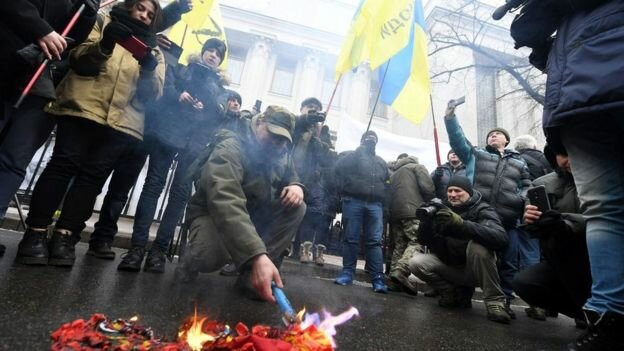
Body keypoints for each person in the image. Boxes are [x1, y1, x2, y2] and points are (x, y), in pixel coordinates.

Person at [14, 0, 165, 266]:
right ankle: (35, 234)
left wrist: (149, 68)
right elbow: (77, 58)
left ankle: (65, 236)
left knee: (92, 180)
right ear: (129, 6)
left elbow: (153, 95)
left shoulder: (154, 48)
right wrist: (105, 44)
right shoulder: (101, 21)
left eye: (150, 14)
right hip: (81, 106)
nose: (144, 15)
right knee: (62, 166)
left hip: (123, 121)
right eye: (141, 8)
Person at [536, 1, 624, 348]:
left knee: (604, 212)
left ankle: (608, 317)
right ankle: (607, 317)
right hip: (578, 100)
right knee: (603, 212)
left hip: (580, 97)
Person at [116, 38, 231, 273]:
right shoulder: (181, 69)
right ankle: (137, 248)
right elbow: (164, 90)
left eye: (218, 54)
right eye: (210, 50)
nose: (212, 55)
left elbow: (219, 113)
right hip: (168, 134)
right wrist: (179, 95)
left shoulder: (221, 88)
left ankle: (159, 250)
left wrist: (206, 98)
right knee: (153, 185)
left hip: (194, 145)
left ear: (220, 61)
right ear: (202, 52)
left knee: (179, 196)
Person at [0, 0, 100, 256]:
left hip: (38, 80)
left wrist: (88, 14)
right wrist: (40, 29)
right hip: (6, 57)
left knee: (14, 160)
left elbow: (70, 42)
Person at [176, 106, 305, 303]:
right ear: (260, 122)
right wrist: (257, 254)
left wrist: (296, 185)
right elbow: (226, 200)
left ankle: (251, 276)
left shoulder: (280, 152)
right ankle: (189, 263)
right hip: (215, 214)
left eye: (281, 139)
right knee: (209, 256)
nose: (276, 143)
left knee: (298, 206)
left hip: (253, 215)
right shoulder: (231, 147)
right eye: (272, 134)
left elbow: (291, 173)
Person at [444, 103, 533, 319]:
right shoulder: (477, 155)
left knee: (508, 263)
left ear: (506, 140)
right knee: (467, 254)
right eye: (490, 135)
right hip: (477, 215)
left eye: (497, 134)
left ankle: (505, 302)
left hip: (508, 219)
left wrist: (521, 201)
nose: (493, 137)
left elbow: (527, 186)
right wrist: (450, 118)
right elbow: (458, 140)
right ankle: (462, 295)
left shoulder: (519, 163)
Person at [409, 176, 510, 324]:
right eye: (450, 191)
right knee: (415, 262)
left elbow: (501, 239)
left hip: (477, 271)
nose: (453, 194)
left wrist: (462, 225)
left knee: (479, 247)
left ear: (468, 192)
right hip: (451, 267)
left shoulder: (482, 209)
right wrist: (426, 222)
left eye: (458, 191)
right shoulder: (441, 209)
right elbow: (424, 241)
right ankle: (449, 292)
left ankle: (495, 302)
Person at [512, 146, 591, 326]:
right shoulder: (541, 184)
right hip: (561, 257)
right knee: (525, 283)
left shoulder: (608, 178)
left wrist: (564, 222)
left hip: (602, 256)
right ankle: (585, 315)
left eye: (574, 153)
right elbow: (532, 227)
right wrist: (533, 221)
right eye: (563, 154)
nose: (569, 160)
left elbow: (609, 218)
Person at [333, 130, 389, 294]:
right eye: (367, 138)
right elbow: (338, 168)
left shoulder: (381, 162)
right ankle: (347, 273)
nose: (371, 140)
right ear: (362, 140)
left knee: (375, 242)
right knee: (351, 238)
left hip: (375, 205)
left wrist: (384, 206)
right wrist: (359, 150)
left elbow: (387, 185)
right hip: (353, 201)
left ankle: (378, 279)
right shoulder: (353, 156)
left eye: (373, 139)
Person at [290, 97, 336, 265]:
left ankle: (296, 250)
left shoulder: (322, 131)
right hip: (288, 174)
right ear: (301, 108)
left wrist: (321, 144)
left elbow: (327, 158)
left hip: (309, 180)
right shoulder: (294, 122)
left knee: (303, 215)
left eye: (317, 108)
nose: (313, 110)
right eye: (310, 107)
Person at [387, 155, 435, 295]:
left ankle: (394, 281)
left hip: (395, 213)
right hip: (412, 210)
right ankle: (401, 271)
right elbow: (428, 188)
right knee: (417, 241)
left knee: (400, 245)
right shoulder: (417, 167)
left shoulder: (395, 172)